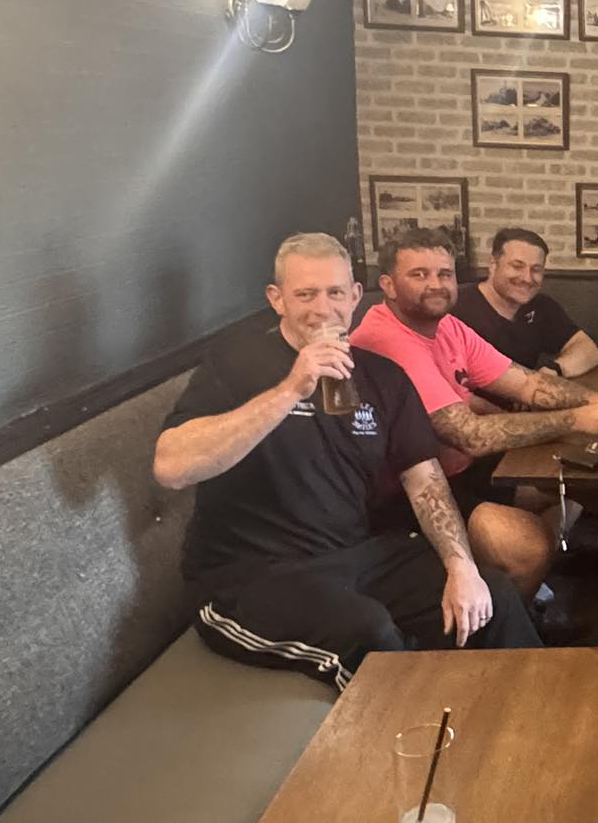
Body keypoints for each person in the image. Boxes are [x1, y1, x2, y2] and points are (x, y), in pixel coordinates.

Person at [154, 232, 542, 687]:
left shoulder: (383, 376)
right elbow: (171, 467)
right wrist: (292, 388)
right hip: (248, 577)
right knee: (368, 632)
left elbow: (425, 481)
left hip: (354, 555)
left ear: (356, 296)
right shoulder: (236, 361)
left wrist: (461, 567)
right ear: (277, 299)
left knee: (492, 594)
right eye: (306, 294)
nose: (323, 309)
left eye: (336, 293)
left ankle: (531, 714)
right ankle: (418, 727)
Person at [350, 228, 598, 604]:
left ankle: (517, 587)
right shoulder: (388, 339)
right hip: (406, 493)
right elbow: (469, 435)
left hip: (458, 470)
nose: (436, 285)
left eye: (444, 274)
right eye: (419, 274)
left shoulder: (447, 326)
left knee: (569, 489)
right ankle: (501, 617)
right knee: (527, 546)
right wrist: (579, 419)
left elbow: (527, 383)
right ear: (388, 284)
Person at [454, 227, 598, 377]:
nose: (527, 278)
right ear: (493, 265)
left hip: (525, 391)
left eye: (536, 269)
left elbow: (589, 350)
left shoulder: (541, 306)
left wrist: (553, 369)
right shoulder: (456, 304)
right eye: (517, 266)